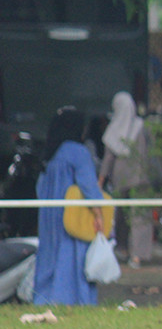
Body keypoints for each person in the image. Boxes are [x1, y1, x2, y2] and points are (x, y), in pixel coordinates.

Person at [33, 107, 106, 305]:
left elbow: (40, 189)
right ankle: (73, 300)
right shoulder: (78, 152)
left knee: (48, 257)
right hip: (70, 218)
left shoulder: (49, 153)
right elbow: (89, 185)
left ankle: (44, 300)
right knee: (72, 258)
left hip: (48, 218)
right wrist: (99, 214)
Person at [99, 91, 154, 268]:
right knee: (140, 215)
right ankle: (138, 255)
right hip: (142, 177)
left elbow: (108, 159)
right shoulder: (142, 126)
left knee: (121, 214)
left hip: (120, 179)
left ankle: (123, 249)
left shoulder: (113, 129)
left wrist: (100, 182)